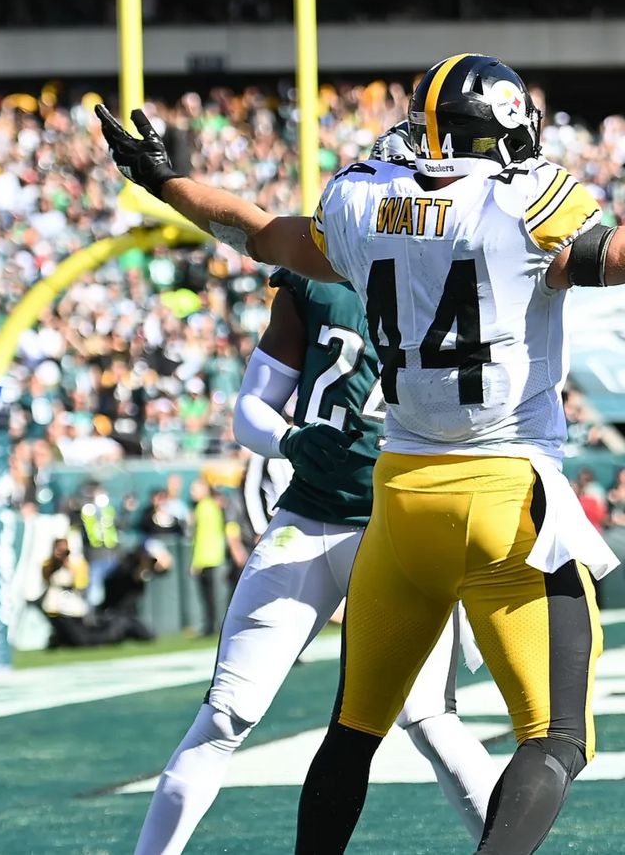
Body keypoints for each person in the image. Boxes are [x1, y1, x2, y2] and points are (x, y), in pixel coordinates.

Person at [99, 53, 625, 853]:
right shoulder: (526, 204)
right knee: (555, 738)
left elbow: (259, 232)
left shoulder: (363, 201)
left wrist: (165, 182)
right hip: (506, 497)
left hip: (401, 500)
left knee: (353, 729)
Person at [128, 126, 496, 854]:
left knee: (429, 721)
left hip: (398, 528)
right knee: (228, 715)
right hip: (311, 518)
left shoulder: (451, 277)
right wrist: (292, 440)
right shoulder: (323, 278)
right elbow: (250, 411)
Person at [188, 479, 236, 638]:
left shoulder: (203, 507)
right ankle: (213, 626)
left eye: (195, 489)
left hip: (208, 557)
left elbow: (201, 537)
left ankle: (211, 626)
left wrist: (196, 562)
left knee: (210, 596)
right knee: (213, 596)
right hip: (214, 556)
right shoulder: (212, 506)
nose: (192, 492)